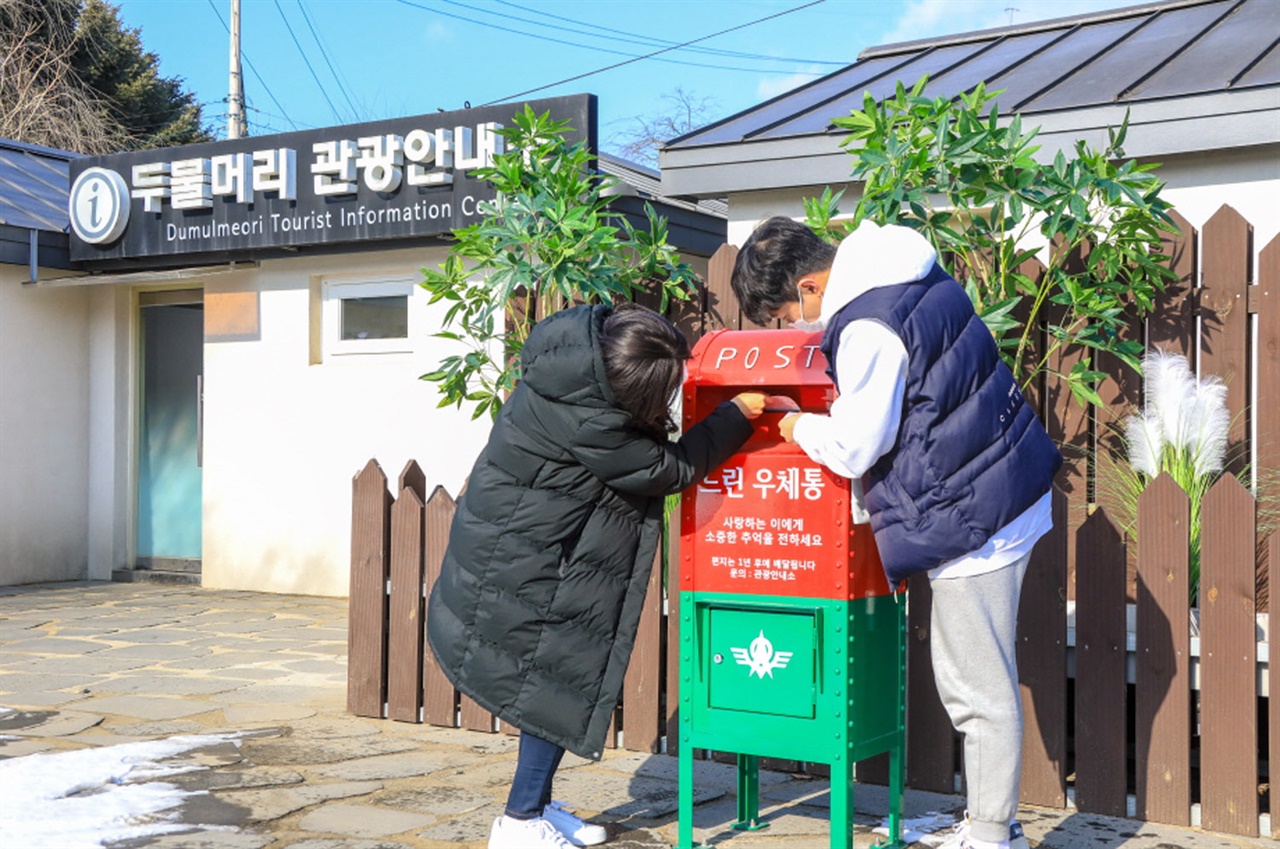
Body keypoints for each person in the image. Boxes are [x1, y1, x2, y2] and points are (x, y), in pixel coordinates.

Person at [730, 217, 1062, 849]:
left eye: (785, 313)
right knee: (977, 674)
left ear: (808, 285)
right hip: (995, 483)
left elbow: (857, 445)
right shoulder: (904, 268)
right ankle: (991, 823)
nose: (793, 327)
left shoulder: (865, 323)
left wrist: (798, 429)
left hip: (977, 514)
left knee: (975, 684)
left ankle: (993, 834)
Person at [427, 302, 778, 849]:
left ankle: (535, 806)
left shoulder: (566, 367)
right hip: (529, 566)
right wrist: (736, 415)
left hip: (517, 548)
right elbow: (669, 468)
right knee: (551, 687)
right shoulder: (594, 419)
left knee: (549, 685)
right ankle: (520, 824)